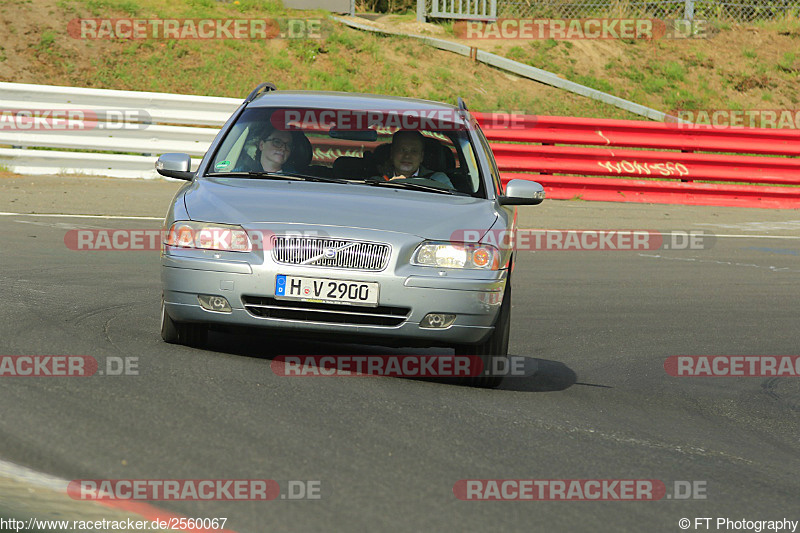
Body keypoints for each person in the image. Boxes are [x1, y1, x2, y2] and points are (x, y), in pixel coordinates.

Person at [376, 130, 453, 188]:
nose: (407, 156)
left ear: (421, 156)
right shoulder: (375, 180)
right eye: (402, 150)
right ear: (392, 153)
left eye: (414, 151)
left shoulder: (438, 180)